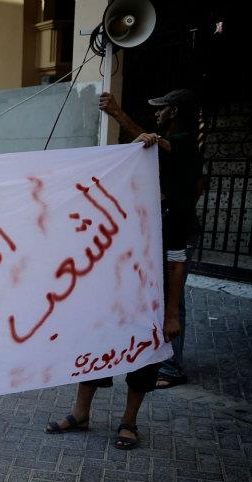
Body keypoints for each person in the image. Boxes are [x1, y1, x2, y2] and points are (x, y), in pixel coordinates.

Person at [46, 90, 197, 450]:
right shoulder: (127, 208)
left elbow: (177, 264)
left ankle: (129, 422)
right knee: (96, 344)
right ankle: (81, 413)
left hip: (150, 298)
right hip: (114, 295)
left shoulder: (174, 213)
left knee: (143, 356)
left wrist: (171, 314)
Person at [99, 89, 203, 390]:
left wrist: (118, 113)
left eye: (161, 108)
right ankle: (158, 353)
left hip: (177, 231)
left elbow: (158, 147)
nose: (157, 113)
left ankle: (171, 366)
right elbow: (199, 184)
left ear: (174, 111)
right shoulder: (177, 144)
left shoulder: (183, 142)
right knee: (162, 292)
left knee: (173, 296)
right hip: (168, 225)